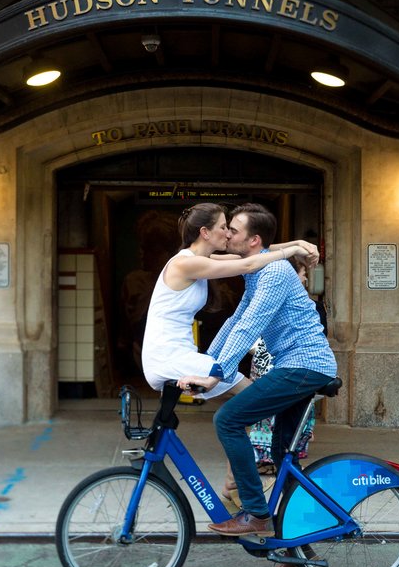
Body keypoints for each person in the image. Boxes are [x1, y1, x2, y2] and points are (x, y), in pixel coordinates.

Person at [179, 203, 337, 539]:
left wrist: (215, 374)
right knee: (284, 459)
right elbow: (235, 321)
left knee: (228, 420)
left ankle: (255, 512)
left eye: (234, 230)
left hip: (304, 367)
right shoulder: (258, 271)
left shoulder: (276, 274)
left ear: (254, 241)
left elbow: (249, 327)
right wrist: (206, 361)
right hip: (297, 367)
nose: (227, 234)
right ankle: (297, 546)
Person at [141, 203, 318, 398]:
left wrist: (297, 244)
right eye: (223, 227)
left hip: (175, 354)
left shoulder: (199, 259)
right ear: (205, 232)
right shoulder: (186, 263)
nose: (227, 234)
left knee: (249, 396)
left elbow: (255, 251)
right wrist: (292, 251)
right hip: (167, 357)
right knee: (253, 394)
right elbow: (249, 264)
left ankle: (277, 424)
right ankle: (283, 425)